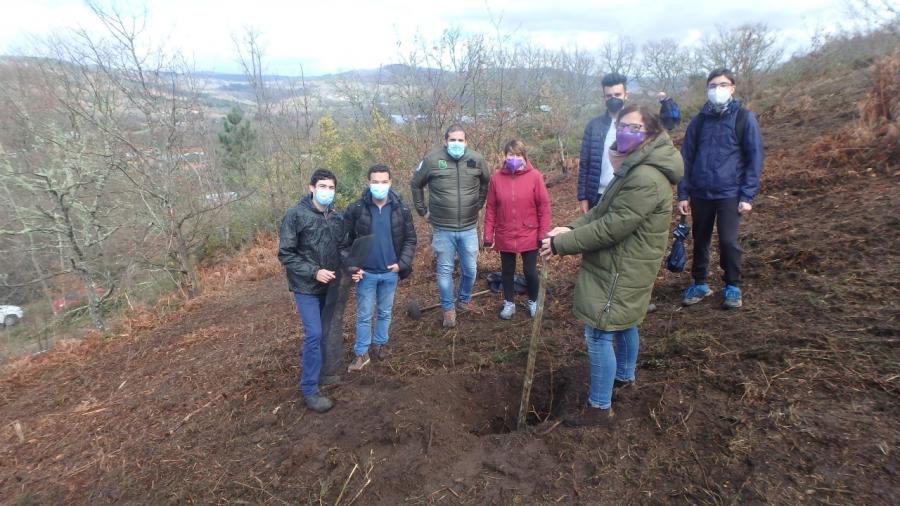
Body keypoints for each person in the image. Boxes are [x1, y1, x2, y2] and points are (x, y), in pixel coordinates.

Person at [540, 104, 684, 427]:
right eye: (622, 125)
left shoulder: (645, 177)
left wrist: (562, 245)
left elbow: (611, 227)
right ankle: (624, 377)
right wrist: (572, 228)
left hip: (622, 266)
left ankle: (599, 407)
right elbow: (602, 211)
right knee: (625, 322)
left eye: (634, 127)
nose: (624, 132)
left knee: (600, 332)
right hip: (628, 262)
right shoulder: (635, 167)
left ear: (651, 134)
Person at [677, 68, 764, 309]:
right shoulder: (698, 122)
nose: (718, 89)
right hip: (701, 192)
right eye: (713, 85)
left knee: (728, 241)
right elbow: (686, 158)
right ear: (707, 89)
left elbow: (754, 157)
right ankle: (700, 282)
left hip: (730, 192)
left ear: (732, 88)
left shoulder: (744, 118)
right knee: (700, 238)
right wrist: (683, 193)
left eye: (723, 84)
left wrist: (747, 194)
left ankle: (732, 285)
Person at [278, 169, 355, 413]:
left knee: (326, 332)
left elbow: (343, 248)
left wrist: (353, 267)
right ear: (311, 188)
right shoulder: (295, 215)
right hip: (306, 287)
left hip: (331, 286)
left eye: (331, 187)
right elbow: (286, 254)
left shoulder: (337, 218)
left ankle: (324, 373)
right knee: (313, 333)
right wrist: (313, 271)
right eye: (322, 186)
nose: (327, 192)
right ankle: (309, 389)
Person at [410, 124, 491, 328]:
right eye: (452, 140)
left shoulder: (477, 159)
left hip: (468, 227)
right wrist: (422, 211)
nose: (456, 144)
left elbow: (485, 183)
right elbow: (415, 184)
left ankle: (463, 300)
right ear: (445, 141)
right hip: (442, 228)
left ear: (466, 142)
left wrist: (478, 204)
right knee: (444, 270)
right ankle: (448, 309)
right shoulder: (431, 160)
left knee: (471, 270)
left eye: (460, 140)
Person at [344, 164, 417, 372]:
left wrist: (401, 264)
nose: (379, 186)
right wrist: (352, 267)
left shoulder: (400, 209)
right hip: (366, 273)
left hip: (389, 273)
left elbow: (410, 239)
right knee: (364, 314)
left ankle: (380, 345)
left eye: (384, 182)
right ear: (368, 183)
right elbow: (344, 242)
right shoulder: (357, 209)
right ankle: (361, 353)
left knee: (385, 312)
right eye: (375, 182)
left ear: (390, 183)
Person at [577, 73, 681, 213]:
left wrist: (667, 103)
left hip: (627, 190)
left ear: (626, 95)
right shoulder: (594, 126)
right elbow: (585, 163)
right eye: (609, 96)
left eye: (617, 94)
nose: (613, 99)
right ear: (604, 98)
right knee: (597, 232)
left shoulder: (639, 124)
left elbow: (669, 122)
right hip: (598, 193)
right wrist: (583, 197)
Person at [483, 140, 551, 320]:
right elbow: (490, 208)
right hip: (505, 232)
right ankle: (509, 303)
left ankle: (534, 301)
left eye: (518, 155)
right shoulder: (496, 179)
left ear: (524, 157)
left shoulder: (535, 176)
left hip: (529, 232)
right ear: (505, 156)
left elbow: (543, 207)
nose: (514, 158)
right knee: (507, 271)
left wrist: (543, 234)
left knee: (530, 271)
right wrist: (488, 235)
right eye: (510, 155)